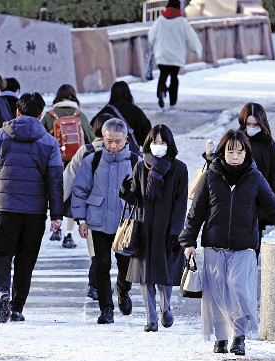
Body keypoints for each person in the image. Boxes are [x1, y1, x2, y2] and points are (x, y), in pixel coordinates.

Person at [179, 129, 275, 356]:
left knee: (239, 291)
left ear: (246, 153)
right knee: (217, 295)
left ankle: (239, 336)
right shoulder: (210, 175)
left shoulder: (254, 177)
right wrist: (188, 240)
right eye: (230, 151)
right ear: (223, 152)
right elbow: (196, 211)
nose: (235, 156)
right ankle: (221, 339)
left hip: (244, 246)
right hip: (214, 245)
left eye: (240, 151)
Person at [0, 93, 63, 323]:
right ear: (41, 114)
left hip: (5, 209)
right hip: (35, 213)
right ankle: (16, 307)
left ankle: (2, 291)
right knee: (26, 260)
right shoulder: (49, 142)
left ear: (17, 112)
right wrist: (56, 214)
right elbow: (55, 181)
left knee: (2, 255)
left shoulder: (0, 136)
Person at [120, 125, 188, 332]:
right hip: (144, 228)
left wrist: (176, 231)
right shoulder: (141, 167)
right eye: (154, 142)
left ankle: (165, 308)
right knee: (145, 275)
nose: (158, 146)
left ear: (170, 144)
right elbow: (136, 197)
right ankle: (151, 318)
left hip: (167, 230)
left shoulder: (179, 168)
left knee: (164, 275)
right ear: (148, 143)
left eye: (163, 142)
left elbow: (181, 202)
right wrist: (124, 190)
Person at [72, 118, 138, 324]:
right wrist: (81, 219)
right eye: (109, 141)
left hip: (125, 223)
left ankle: (123, 289)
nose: (113, 146)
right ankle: (106, 309)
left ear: (126, 139)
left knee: (125, 266)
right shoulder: (93, 160)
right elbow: (80, 190)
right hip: (98, 220)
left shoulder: (136, 162)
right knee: (101, 265)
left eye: (118, 141)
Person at [205, 102, 275, 258]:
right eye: (248, 124)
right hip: (225, 215)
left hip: (252, 219)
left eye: (255, 124)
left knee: (247, 266)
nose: (251, 127)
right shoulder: (232, 140)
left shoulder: (268, 145)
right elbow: (215, 172)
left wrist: (265, 214)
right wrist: (210, 157)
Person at [64, 113, 114, 299]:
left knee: (96, 251)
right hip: (115, 210)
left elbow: (68, 180)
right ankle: (99, 285)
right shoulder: (124, 151)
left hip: (90, 209)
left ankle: (95, 285)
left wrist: (54, 206)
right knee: (110, 252)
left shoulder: (85, 151)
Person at [42, 84, 95, 245]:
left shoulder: (50, 116)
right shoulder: (80, 115)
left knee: (55, 194)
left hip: (54, 163)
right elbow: (91, 139)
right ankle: (69, 234)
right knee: (73, 198)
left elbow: (41, 139)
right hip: (76, 163)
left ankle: (55, 228)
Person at [147, 0, 202, 108]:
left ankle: (161, 91)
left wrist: (154, 44)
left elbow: (151, 35)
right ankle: (172, 100)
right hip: (176, 57)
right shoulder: (182, 22)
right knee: (174, 77)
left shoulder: (160, 20)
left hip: (162, 55)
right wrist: (197, 51)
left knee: (163, 75)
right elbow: (192, 39)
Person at [90, 81, 151, 147]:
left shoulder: (104, 112)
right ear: (127, 93)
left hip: (107, 153)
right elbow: (147, 133)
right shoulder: (135, 111)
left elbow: (91, 129)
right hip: (130, 154)